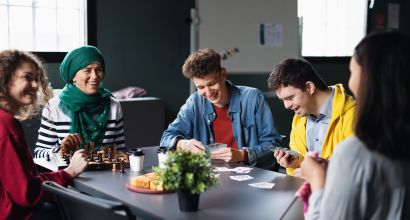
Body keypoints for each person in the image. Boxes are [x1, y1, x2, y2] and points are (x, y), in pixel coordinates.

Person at [296, 31, 410, 219]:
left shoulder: (354, 152)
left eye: (352, 72)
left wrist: (317, 180)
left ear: (368, 81)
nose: (349, 83)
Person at [0, 49, 88, 219]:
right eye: (27, 77)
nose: (35, 85)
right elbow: (26, 193)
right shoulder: (5, 124)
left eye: (36, 79)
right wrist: (69, 173)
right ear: (4, 79)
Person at [160, 48, 282, 166]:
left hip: (249, 177)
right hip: (210, 177)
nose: (208, 93)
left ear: (223, 74)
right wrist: (183, 144)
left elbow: (273, 146)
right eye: (201, 87)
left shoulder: (253, 98)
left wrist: (242, 155)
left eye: (212, 84)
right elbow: (166, 138)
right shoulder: (194, 102)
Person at [267, 58, 356, 175]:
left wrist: (316, 173)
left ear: (309, 87)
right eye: (282, 100)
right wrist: (296, 162)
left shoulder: (354, 116)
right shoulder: (298, 120)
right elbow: (301, 173)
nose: (286, 106)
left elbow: (355, 169)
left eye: (290, 98)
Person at [34, 46, 125, 158]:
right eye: (87, 70)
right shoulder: (53, 107)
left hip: (109, 174)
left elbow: (120, 151)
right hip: (68, 174)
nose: (95, 76)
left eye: (99, 70)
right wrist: (60, 150)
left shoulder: (114, 106)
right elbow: (39, 153)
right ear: (73, 76)